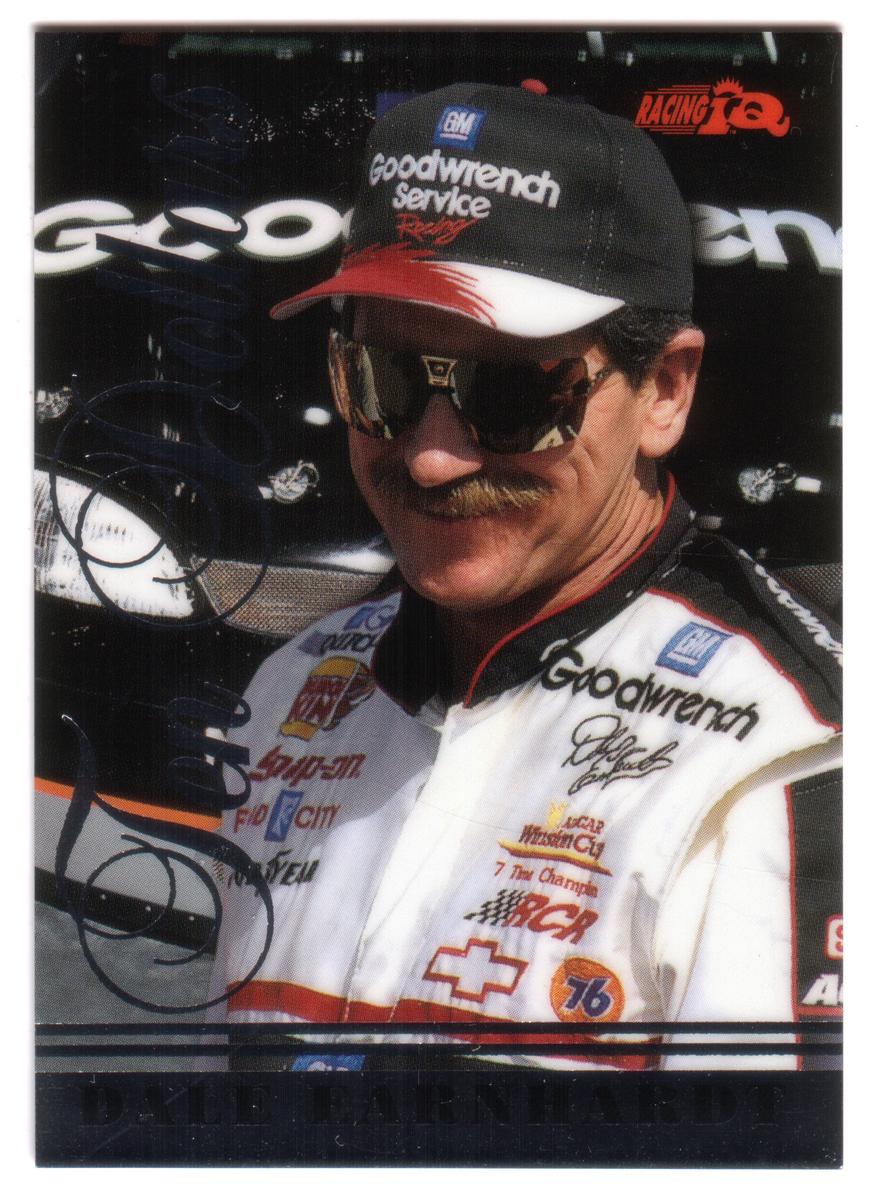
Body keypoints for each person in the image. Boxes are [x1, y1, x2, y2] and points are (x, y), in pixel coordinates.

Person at [210, 82, 842, 1071]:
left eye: (512, 394)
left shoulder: (785, 760)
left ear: (665, 391)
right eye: (382, 381)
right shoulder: (291, 690)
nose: (432, 458)